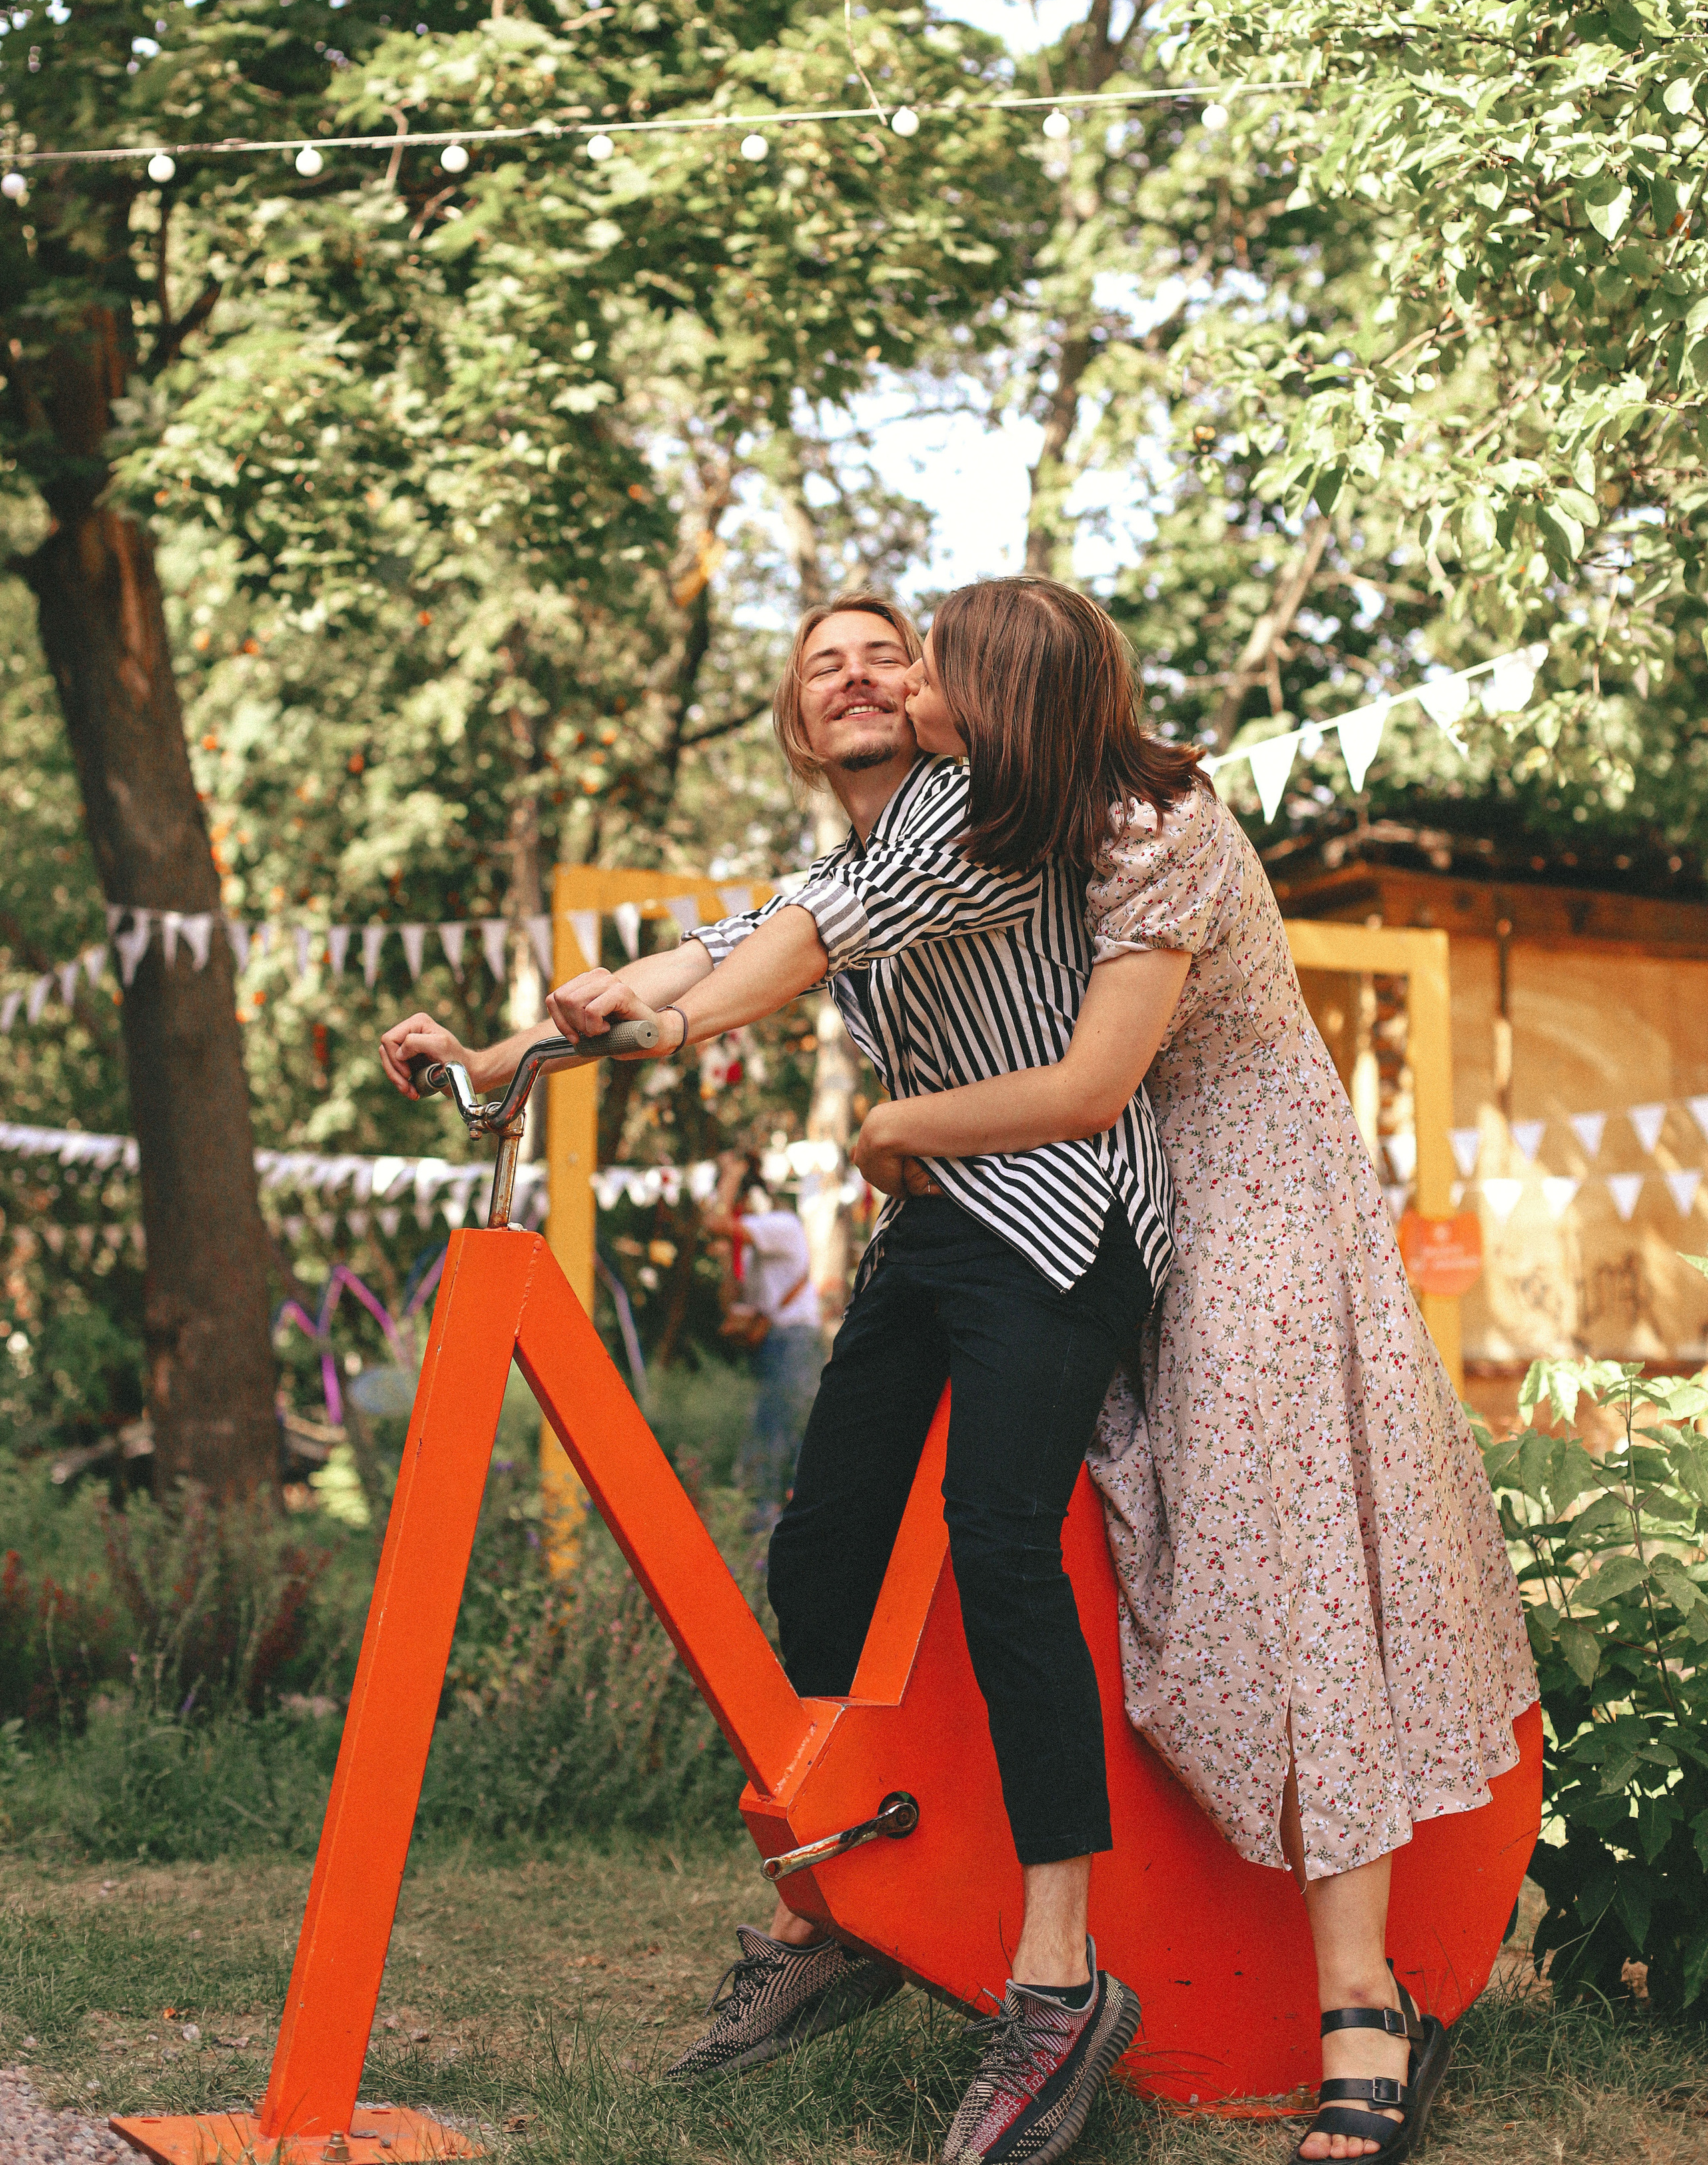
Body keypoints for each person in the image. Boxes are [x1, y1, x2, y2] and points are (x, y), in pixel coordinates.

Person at [380, 584, 1178, 2165]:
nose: (862, 672)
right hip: (942, 1223)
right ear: (799, 723)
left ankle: (1056, 1978)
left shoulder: (975, 806)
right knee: (819, 1550)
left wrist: (658, 1022)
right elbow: (724, 942)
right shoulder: (846, 859)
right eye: (825, 663)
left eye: (891, 649)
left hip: (1067, 1206)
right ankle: (843, 1902)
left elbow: (777, 958)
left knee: (998, 1536)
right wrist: (497, 1054)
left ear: (937, 696)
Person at [847, 579, 1540, 2165]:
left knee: (1290, 1573)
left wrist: (897, 1128)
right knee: (1107, 1544)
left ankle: (1362, 2005)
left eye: (932, 657)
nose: (906, 675)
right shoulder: (1005, 815)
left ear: (999, 693)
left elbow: (1093, 1079)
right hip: (1129, 1222)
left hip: (1254, 1216)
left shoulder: (1154, 827)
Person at [701, 1151, 821, 1528]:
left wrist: (730, 1177)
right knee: (771, 1432)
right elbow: (733, 1304)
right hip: (776, 1345)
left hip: (794, 1342)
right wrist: (724, 1261)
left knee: (777, 1435)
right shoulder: (758, 1253)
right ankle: (767, 1525)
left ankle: (767, 1527)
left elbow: (714, 1222)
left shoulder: (781, 1225)